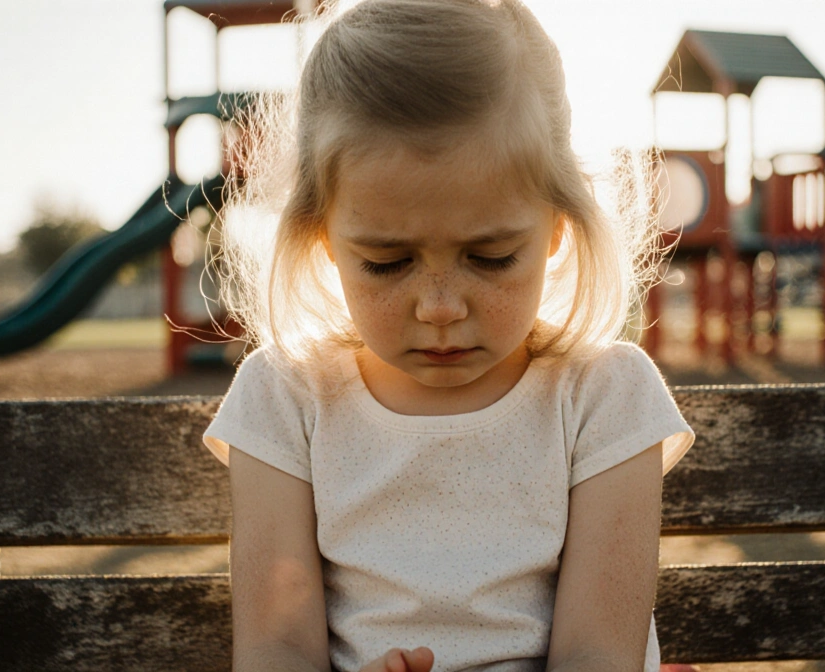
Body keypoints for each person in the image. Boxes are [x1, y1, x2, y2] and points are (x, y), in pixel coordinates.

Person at [202, 1, 695, 670]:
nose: (438, 308)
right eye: (387, 262)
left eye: (490, 257)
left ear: (556, 228)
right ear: (322, 238)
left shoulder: (605, 398)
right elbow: (275, 649)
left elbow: (597, 654)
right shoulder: (284, 399)